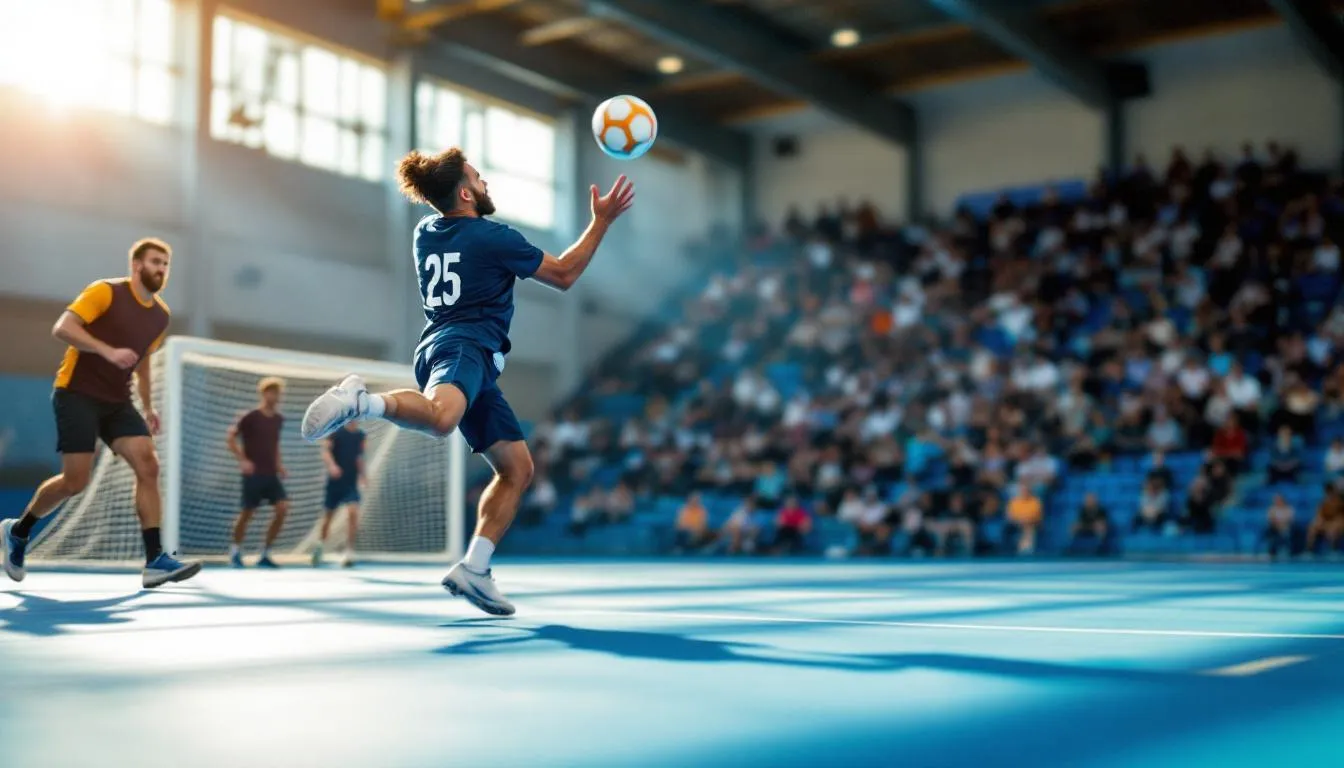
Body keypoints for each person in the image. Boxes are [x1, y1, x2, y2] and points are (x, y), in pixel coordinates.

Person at [300, 148, 635, 616]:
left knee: (517, 469)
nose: (485, 185)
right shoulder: (491, 236)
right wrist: (601, 221)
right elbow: (563, 273)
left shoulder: (426, 232)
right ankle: (362, 403)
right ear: (464, 192)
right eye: (479, 179)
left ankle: (475, 569)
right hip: (464, 346)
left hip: (456, 352)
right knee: (441, 420)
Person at [1, 238, 200, 589]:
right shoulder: (105, 292)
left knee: (148, 464)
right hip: (76, 393)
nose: (162, 269)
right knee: (75, 482)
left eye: (166, 264)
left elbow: (142, 362)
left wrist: (149, 406)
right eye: (156, 262)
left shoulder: (160, 316)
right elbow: (63, 328)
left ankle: (155, 560)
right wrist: (106, 351)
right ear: (137, 265)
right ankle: (18, 532)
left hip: (117, 401)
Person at [226, 377, 289, 568]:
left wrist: (279, 465)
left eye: (277, 392)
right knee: (247, 512)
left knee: (282, 508)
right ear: (263, 393)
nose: (274, 396)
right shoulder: (251, 416)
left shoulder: (278, 419)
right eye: (271, 392)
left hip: (271, 474)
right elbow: (230, 438)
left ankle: (265, 553)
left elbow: (275, 444)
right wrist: (243, 460)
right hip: (253, 475)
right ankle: (235, 551)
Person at [314, 422, 365, 568]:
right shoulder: (335, 432)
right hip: (335, 483)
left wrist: (363, 475)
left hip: (350, 482)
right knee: (328, 518)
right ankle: (320, 545)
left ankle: (349, 551)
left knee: (353, 512)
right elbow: (325, 451)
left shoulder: (361, 436)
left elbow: (359, 458)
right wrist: (332, 466)